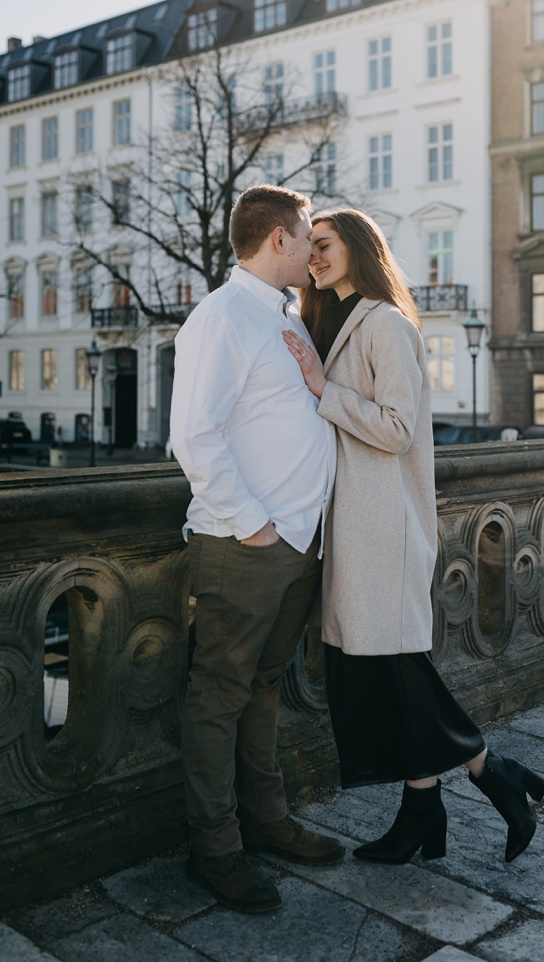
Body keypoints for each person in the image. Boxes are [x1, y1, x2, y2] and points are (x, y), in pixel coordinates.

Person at [280, 207, 544, 866]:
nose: (313, 256)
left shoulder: (386, 323)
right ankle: (424, 813)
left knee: (396, 674)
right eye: (308, 246)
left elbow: (397, 428)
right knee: (383, 677)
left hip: (384, 530)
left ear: (359, 247)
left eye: (325, 244)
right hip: (353, 528)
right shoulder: (333, 321)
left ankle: (494, 772)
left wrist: (321, 389)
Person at [172, 185, 346, 913]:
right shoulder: (220, 317)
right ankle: (217, 850)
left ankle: (268, 820)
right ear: (278, 238)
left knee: (264, 688)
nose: (313, 249)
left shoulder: (286, 317)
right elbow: (193, 435)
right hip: (246, 546)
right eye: (307, 235)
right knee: (217, 699)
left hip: (297, 546)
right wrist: (252, 524)